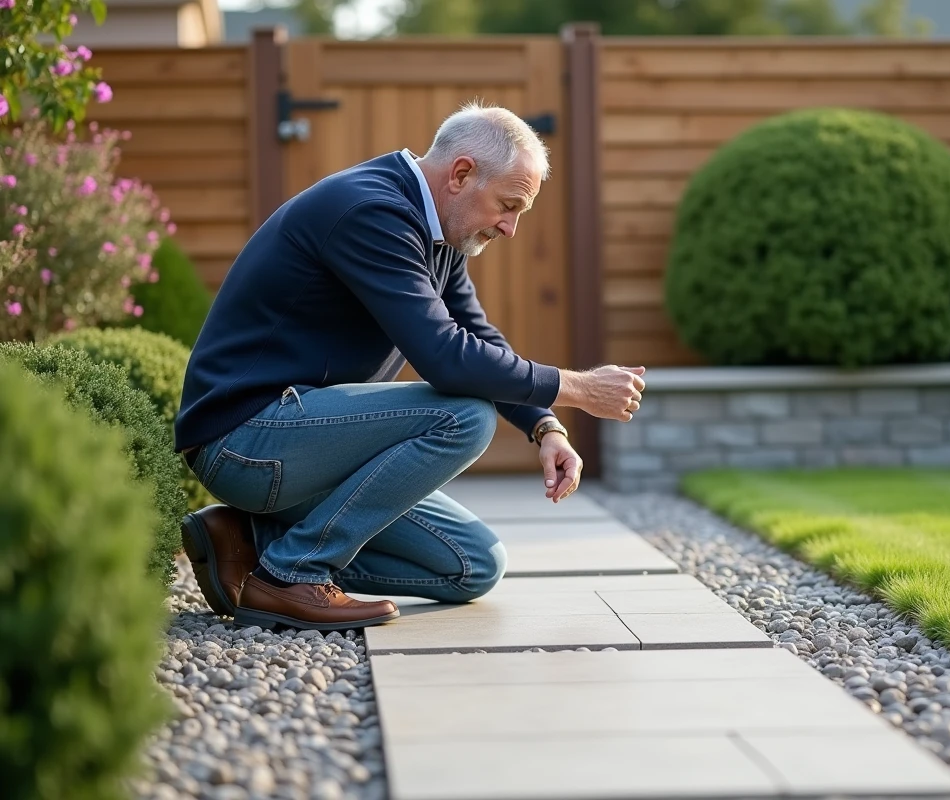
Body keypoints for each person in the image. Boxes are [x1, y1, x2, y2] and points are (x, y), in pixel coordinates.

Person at [173, 102, 645, 632]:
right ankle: (291, 574)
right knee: (464, 417)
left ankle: (246, 543)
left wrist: (544, 425)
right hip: (246, 440)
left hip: (305, 451)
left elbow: (477, 337)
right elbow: (446, 357)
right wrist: (575, 387)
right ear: (462, 174)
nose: (511, 228)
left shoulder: (440, 231)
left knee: (474, 566)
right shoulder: (370, 210)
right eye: (508, 205)